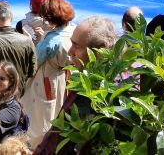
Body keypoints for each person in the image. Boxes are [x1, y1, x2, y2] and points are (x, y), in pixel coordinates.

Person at [35, 16, 119, 154]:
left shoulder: (94, 94)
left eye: (76, 46)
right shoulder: (84, 83)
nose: (70, 52)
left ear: (100, 51)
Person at [22, 0, 75, 147]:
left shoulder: (52, 40)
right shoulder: (72, 31)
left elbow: (33, 64)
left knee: (40, 121)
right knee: (57, 115)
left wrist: (31, 41)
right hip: (64, 79)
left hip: (46, 82)